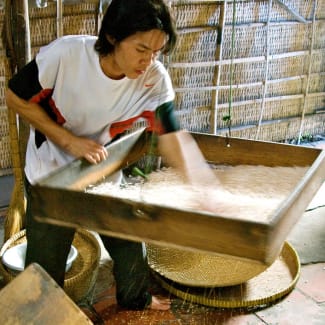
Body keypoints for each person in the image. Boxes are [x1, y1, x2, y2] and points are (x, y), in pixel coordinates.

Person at [6, 0, 180, 311]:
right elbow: (14, 96)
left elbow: (171, 136)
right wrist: (70, 141)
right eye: (141, 49)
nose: (149, 60)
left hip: (101, 169)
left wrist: (200, 186)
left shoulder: (154, 79)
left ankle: (136, 302)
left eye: (157, 51)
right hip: (51, 174)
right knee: (44, 267)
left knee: (129, 243)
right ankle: (41, 313)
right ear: (113, 36)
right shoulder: (67, 55)